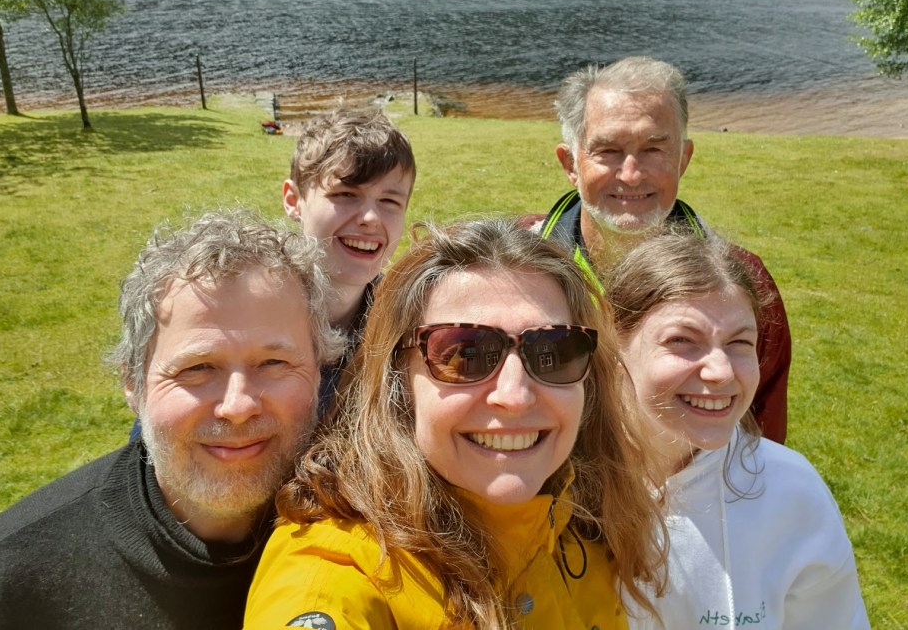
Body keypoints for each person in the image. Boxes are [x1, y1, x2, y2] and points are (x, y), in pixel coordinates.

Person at [244, 219, 669, 630]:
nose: (515, 395)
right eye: (465, 355)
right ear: (398, 381)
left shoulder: (589, 523)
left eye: (553, 352)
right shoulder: (334, 575)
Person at [0, 209, 342, 629]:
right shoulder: (11, 584)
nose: (238, 406)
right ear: (133, 382)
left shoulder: (377, 544)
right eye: (197, 368)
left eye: (273, 362)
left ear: (318, 369)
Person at [608, 230, 869, 629]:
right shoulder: (561, 482)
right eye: (683, 340)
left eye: (740, 343)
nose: (721, 371)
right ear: (612, 348)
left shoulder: (792, 492)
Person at [536, 55, 792, 443]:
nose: (631, 174)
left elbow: (760, 437)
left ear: (684, 159)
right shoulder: (522, 275)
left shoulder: (745, 284)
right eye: (607, 150)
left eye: (654, 149)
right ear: (570, 163)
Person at [282, 106, 416, 415]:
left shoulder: (404, 326)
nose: (370, 217)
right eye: (345, 194)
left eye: (389, 201)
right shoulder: (245, 309)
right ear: (294, 200)